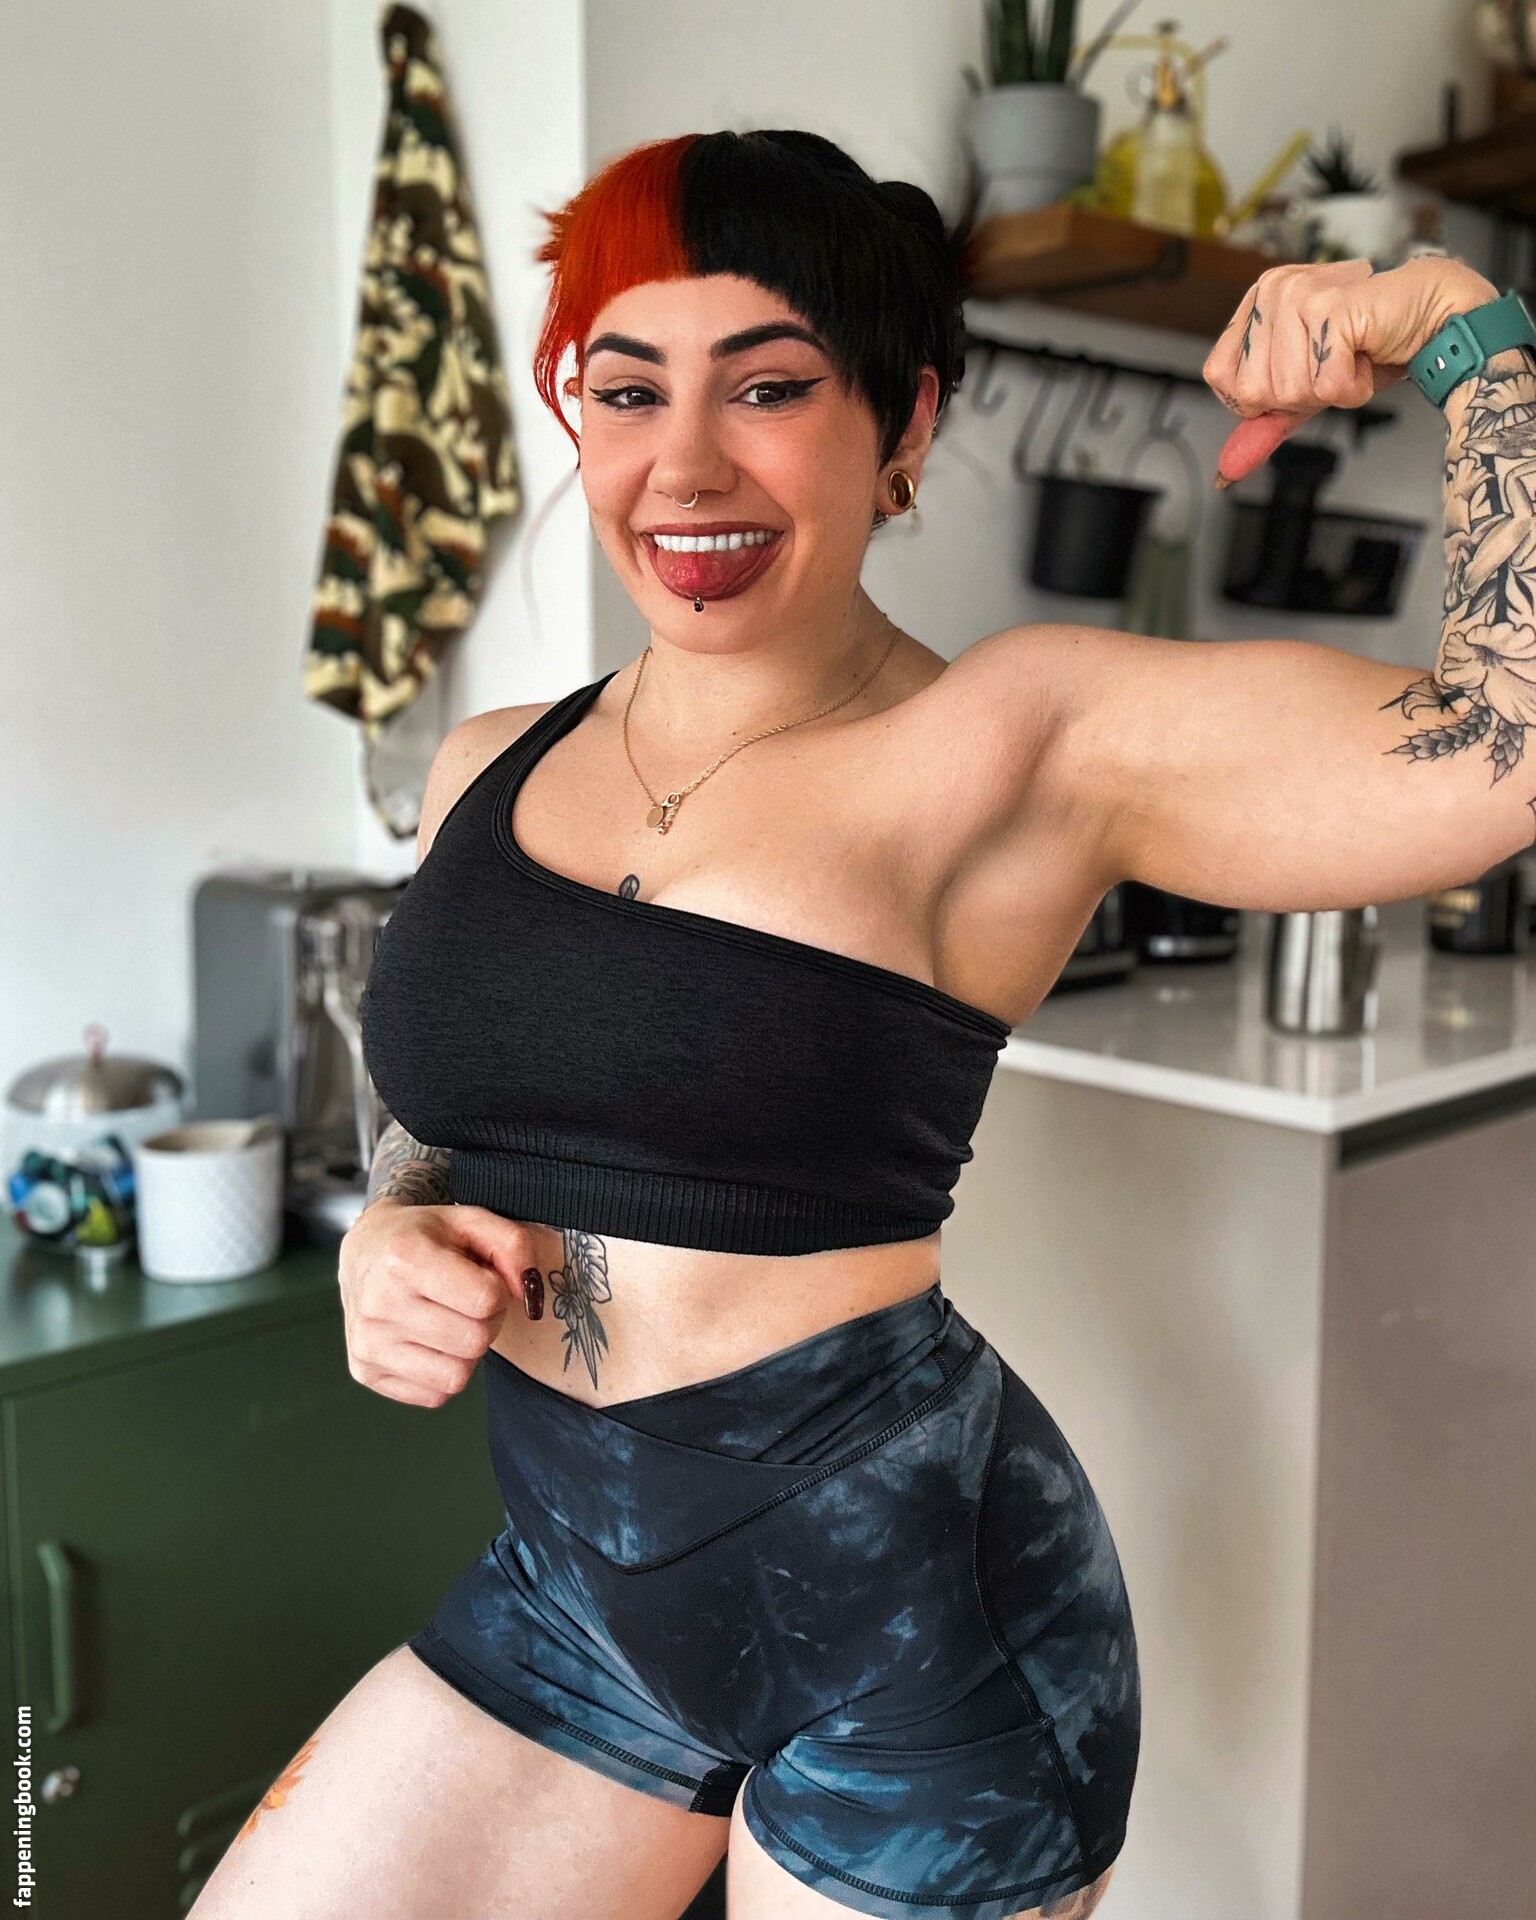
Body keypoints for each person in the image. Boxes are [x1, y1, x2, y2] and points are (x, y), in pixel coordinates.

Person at [190, 128, 1530, 1920]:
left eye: (770, 388)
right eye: (629, 389)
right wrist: (394, 1232)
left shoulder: (1020, 738)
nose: (685, 464)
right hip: (580, 1606)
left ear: (904, 427)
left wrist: (1461, 327)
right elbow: (438, 1131)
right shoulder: (485, 765)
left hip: (922, 1663)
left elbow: (1505, 748)